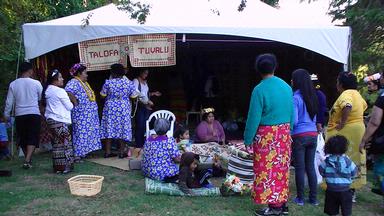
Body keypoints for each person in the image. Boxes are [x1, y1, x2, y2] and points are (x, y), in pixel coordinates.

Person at [243, 53, 293, 216]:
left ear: (258, 69)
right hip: (284, 134)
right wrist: (288, 130)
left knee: (268, 171)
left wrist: (248, 138)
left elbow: (254, 116)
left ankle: (274, 208)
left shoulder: (259, 89)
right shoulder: (286, 87)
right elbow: (291, 112)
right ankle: (281, 203)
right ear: (274, 66)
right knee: (281, 169)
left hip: (267, 136)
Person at [326, 72, 367, 202]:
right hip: (358, 129)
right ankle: (351, 189)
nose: (336, 84)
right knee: (354, 159)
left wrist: (343, 122)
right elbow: (364, 106)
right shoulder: (357, 94)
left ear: (341, 84)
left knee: (342, 158)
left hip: (347, 131)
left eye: (338, 81)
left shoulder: (346, 94)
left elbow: (347, 106)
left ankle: (343, 188)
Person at [4, 62, 43, 169]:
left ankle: (27, 159)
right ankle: (27, 159)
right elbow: (39, 97)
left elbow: (9, 102)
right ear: (30, 71)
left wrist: (6, 115)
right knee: (32, 136)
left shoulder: (13, 84)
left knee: (23, 137)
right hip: (34, 113)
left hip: (20, 114)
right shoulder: (36, 83)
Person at [291, 69, 319, 206]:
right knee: (310, 167)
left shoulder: (295, 98)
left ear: (296, 81)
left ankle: (300, 198)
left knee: (300, 168)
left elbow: (294, 120)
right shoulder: (313, 96)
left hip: (299, 135)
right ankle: (313, 199)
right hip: (313, 135)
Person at [65, 63, 102, 162]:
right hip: (81, 114)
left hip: (88, 114)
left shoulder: (84, 83)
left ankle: (84, 152)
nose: (87, 75)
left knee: (87, 132)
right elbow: (68, 92)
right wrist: (75, 102)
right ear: (79, 74)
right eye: (85, 73)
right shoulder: (74, 82)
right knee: (80, 132)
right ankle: (77, 155)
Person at [100, 64, 137, 158]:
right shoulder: (128, 83)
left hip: (110, 107)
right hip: (123, 108)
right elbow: (134, 97)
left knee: (109, 127)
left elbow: (102, 96)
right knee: (123, 128)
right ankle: (121, 152)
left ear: (113, 73)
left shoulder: (108, 83)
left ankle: (107, 152)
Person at [359, 71, 384, 204]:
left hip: (381, 137)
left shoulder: (381, 97)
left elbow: (375, 121)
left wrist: (364, 140)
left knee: (380, 169)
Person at [44, 69, 74, 174]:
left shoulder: (48, 90)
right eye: (60, 77)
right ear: (55, 80)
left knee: (57, 144)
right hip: (60, 120)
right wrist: (72, 99)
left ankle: (58, 167)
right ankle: (66, 167)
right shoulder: (60, 91)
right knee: (65, 144)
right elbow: (69, 106)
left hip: (51, 120)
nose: (62, 79)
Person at [319, 135, 358, 216]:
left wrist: (327, 176)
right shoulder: (348, 162)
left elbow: (321, 171)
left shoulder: (326, 161)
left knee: (332, 211)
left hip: (331, 190)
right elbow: (354, 172)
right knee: (346, 212)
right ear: (344, 148)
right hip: (346, 191)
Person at [133, 69, 161, 149]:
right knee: (140, 126)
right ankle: (139, 145)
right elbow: (137, 93)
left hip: (146, 106)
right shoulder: (136, 81)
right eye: (145, 73)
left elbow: (145, 93)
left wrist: (153, 93)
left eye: (147, 73)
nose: (146, 75)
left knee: (146, 125)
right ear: (140, 72)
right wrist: (147, 101)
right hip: (139, 106)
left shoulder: (145, 82)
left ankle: (144, 144)